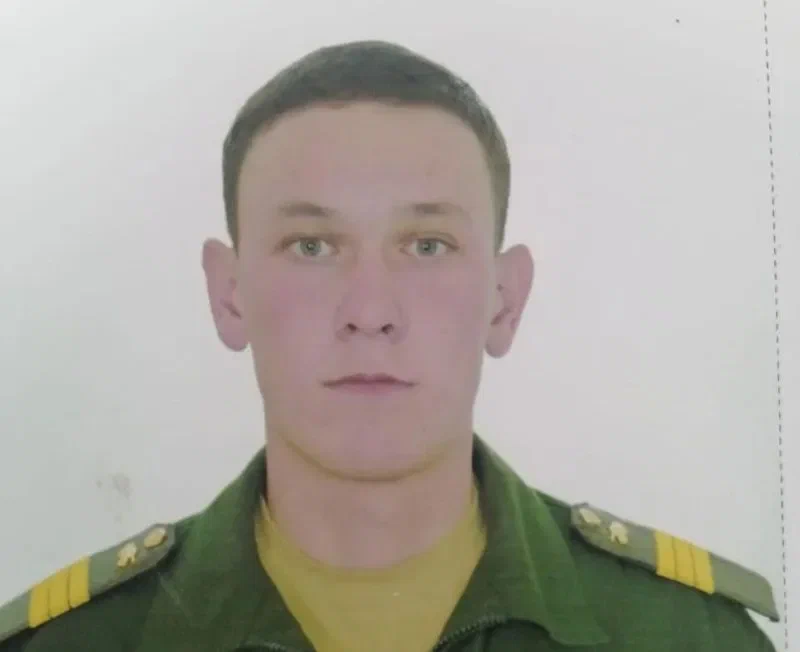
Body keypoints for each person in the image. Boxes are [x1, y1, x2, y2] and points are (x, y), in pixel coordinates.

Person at [0, 40, 779, 652]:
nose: (369, 312)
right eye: (311, 246)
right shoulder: (79, 642)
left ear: (504, 300)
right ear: (228, 294)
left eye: (427, 246)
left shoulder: (688, 638)